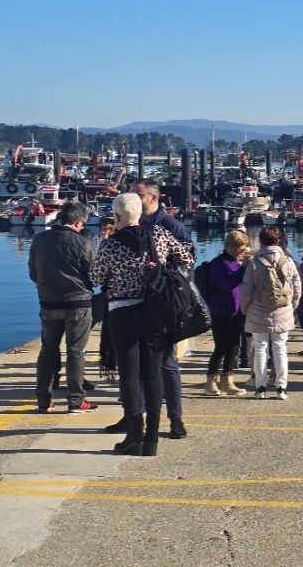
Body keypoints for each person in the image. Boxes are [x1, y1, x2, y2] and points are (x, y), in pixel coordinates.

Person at [91, 193, 194, 456]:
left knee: (129, 375)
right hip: (154, 311)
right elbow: (186, 258)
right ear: (140, 213)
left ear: (116, 216)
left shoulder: (111, 245)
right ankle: (151, 440)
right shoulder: (159, 234)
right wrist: (162, 270)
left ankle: (134, 435)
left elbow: (95, 277)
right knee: (152, 373)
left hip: (123, 313)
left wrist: (103, 242)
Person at [131, 179, 191, 439]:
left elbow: (186, 265)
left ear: (153, 198)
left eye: (138, 195)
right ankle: (136, 415)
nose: (133, 199)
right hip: (138, 302)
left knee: (167, 363)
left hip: (164, 303)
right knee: (138, 363)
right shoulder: (133, 224)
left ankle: (175, 418)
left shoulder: (172, 226)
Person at [29, 201, 96, 413]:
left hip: (48, 303)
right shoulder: (84, 243)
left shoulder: (39, 240)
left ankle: (44, 399)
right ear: (78, 222)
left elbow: (33, 273)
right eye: (82, 224)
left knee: (48, 349)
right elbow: (94, 276)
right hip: (78, 303)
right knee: (76, 351)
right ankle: (76, 400)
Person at [240, 226, 301, 399]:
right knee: (280, 348)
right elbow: (297, 284)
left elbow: (246, 290)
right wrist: (293, 304)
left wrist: (245, 309)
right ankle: (281, 387)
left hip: (258, 310)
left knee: (260, 348)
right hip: (282, 308)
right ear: (278, 240)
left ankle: (260, 387)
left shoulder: (254, 262)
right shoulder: (287, 261)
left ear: (261, 241)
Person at [204, 229, 251, 396]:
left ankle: (228, 380)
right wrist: (243, 269)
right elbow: (227, 284)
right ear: (230, 247)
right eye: (240, 248)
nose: (242, 251)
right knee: (221, 346)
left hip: (236, 311)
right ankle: (210, 381)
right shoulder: (218, 264)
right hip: (220, 311)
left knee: (234, 346)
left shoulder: (234, 262)